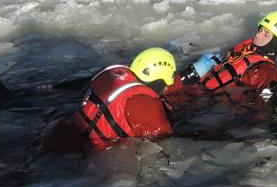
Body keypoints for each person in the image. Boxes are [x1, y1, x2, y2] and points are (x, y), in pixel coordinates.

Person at [38, 47, 182, 154]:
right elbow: (160, 142)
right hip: (84, 154)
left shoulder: (111, 75)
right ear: (162, 81)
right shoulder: (144, 103)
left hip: (58, 132)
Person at [174, 10, 277, 104]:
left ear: (276, 43)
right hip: (194, 93)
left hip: (206, 105)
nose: (258, 35)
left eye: (266, 34)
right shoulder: (245, 51)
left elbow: (259, 108)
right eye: (260, 30)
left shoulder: (268, 73)